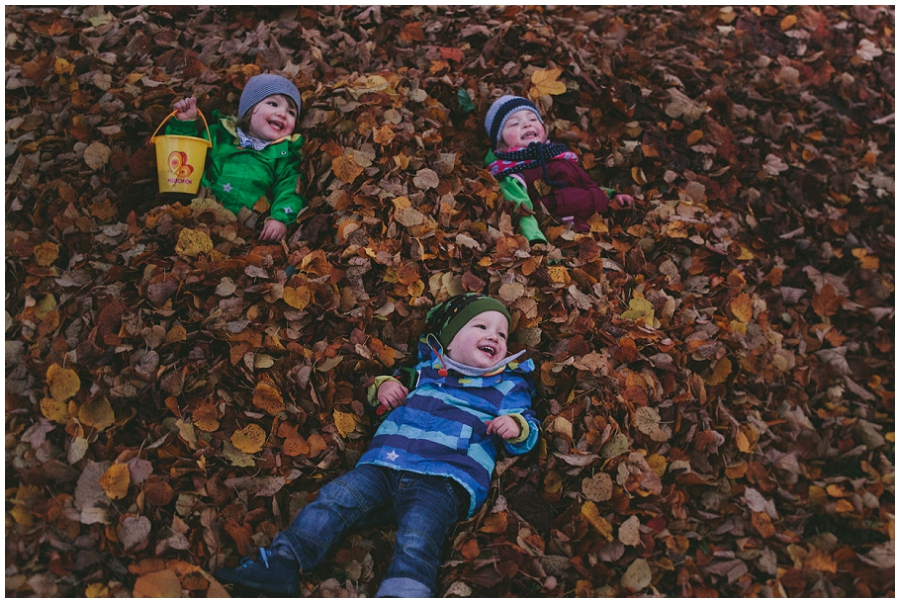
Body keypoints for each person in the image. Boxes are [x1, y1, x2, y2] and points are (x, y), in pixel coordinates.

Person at [214, 293, 540, 597]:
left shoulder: (506, 384)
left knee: (419, 536)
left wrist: (517, 427)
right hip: (384, 465)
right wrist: (383, 389)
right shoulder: (422, 371)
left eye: (502, 335)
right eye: (482, 326)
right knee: (334, 499)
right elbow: (382, 399)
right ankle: (284, 561)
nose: (495, 337)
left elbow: (527, 427)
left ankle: (405, 591)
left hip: (445, 478)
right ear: (450, 341)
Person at [165, 73, 306, 241]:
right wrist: (184, 124)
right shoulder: (220, 135)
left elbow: (289, 189)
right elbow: (184, 159)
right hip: (200, 215)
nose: (282, 113)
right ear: (250, 108)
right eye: (273, 103)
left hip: (246, 231)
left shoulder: (284, 155)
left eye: (291, 112)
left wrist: (279, 219)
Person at [484, 95, 634, 245]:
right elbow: (521, 210)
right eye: (514, 123)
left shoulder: (560, 156)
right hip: (559, 239)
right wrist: (535, 240)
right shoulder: (512, 173)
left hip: (596, 229)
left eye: (533, 119)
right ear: (501, 143)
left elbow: (585, 185)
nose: (527, 125)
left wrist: (611, 197)